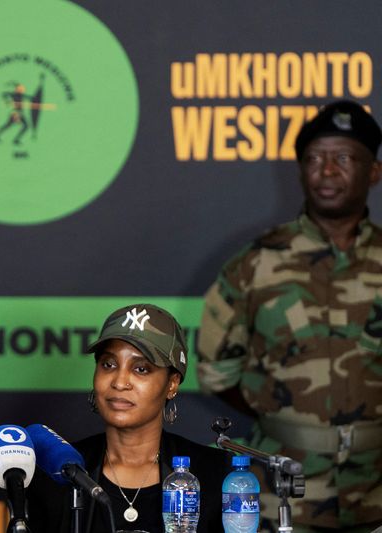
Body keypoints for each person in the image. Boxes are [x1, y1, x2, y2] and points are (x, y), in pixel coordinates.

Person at [197, 99, 382, 532]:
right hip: (282, 493)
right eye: (314, 159)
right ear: (300, 171)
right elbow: (216, 372)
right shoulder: (255, 263)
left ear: (374, 171)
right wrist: (281, 413)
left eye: (343, 158)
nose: (327, 171)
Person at [28, 304, 232, 532]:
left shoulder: (216, 474)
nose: (119, 382)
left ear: (172, 384)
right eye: (108, 365)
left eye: (141, 369)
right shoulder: (57, 472)